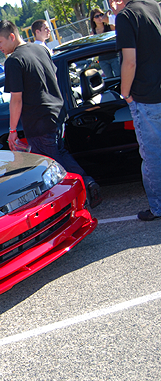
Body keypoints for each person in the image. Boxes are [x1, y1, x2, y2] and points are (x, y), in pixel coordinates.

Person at [0, 20, 102, 208]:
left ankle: (83, 186)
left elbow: (16, 99)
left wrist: (12, 130)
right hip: (57, 113)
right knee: (58, 155)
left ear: (12, 36)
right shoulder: (40, 49)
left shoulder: (14, 61)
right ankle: (79, 190)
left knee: (54, 165)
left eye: (0, 42)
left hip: (39, 120)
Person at [112, 0, 161, 221]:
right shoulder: (155, 6)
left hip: (146, 97)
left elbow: (129, 61)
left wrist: (125, 93)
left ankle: (158, 207)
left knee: (152, 156)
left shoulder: (126, 16)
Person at [90, 7, 121, 78]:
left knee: (120, 77)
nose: (100, 17)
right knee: (109, 80)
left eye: (101, 15)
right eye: (97, 16)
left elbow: (119, 35)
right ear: (93, 19)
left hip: (115, 56)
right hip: (103, 59)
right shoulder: (93, 33)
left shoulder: (110, 26)